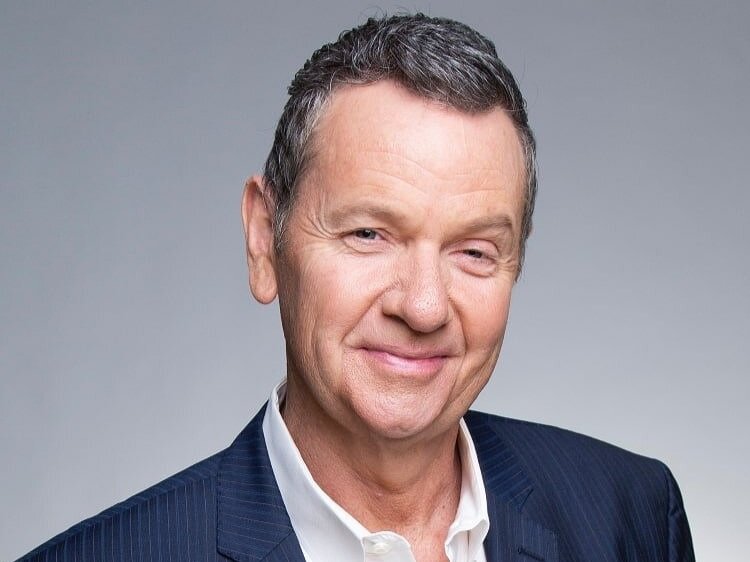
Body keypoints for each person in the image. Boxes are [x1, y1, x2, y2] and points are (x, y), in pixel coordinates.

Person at [18, 13, 695, 562]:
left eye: (473, 250)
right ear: (265, 239)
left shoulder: (631, 514)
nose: (423, 306)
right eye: (369, 234)